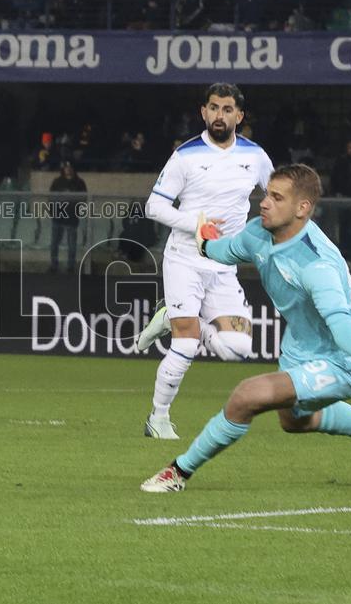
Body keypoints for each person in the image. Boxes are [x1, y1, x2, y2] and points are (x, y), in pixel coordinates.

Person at [141, 165, 351, 493]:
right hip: (300, 343)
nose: (264, 202)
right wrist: (204, 239)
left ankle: (178, 472)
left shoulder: (315, 262)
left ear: (302, 208)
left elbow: (341, 325)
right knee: (294, 421)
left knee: (246, 396)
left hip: (341, 361)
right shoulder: (257, 233)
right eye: (266, 193)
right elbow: (223, 251)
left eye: (276, 197)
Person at [135, 83, 274, 440]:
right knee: (185, 343)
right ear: (203, 112)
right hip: (184, 259)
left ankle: (171, 316)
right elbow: (155, 206)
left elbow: (278, 196)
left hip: (224, 264)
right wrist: (196, 224)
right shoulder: (186, 155)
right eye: (213, 108)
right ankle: (159, 418)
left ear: (239, 116)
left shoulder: (256, 156)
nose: (219, 115)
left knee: (238, 347)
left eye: (227, 109)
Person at [48, 162, 86, 273]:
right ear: (63, 169)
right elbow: (51, 198)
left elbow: (84, 199)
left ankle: (70, 267)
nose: (68, 169)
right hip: (58, 217)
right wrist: (52, 212)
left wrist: (77, 212)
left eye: (70, 167)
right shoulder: (57, 182)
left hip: (72, 219)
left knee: (72, 245)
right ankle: (54, 265)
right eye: (66, 167)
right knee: (54, 243)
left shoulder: (79, 183)